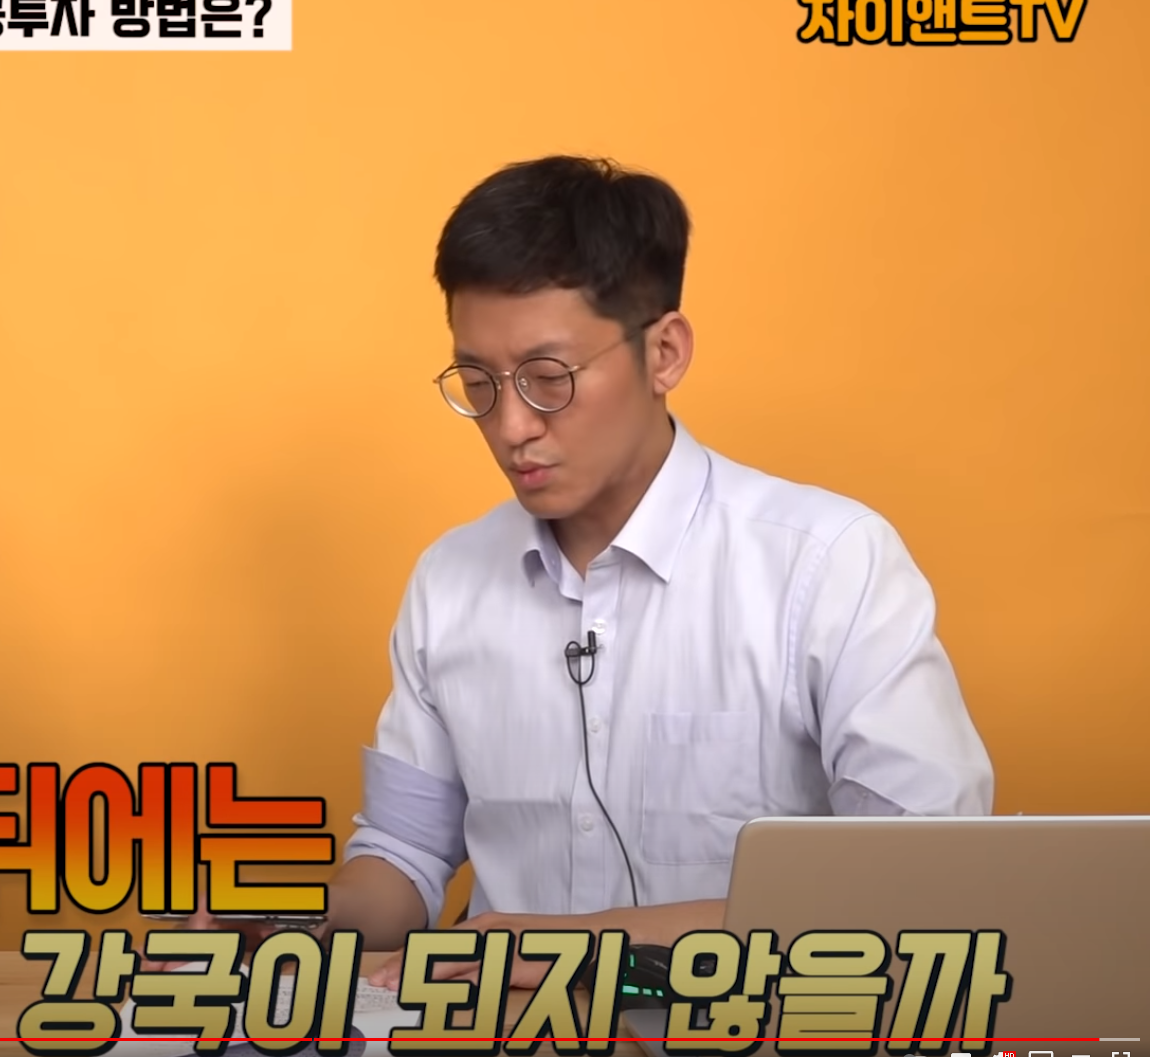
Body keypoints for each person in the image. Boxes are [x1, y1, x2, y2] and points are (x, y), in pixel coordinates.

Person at [169, 155, 994, 986]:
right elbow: (405, 854)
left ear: (663, 352)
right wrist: (289, 914)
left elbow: (918, 881)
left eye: (547, 379)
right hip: (490, 1030)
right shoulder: (450, 580)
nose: (511, 426)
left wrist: (578, 948)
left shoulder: (827, 562)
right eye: (478, 383)